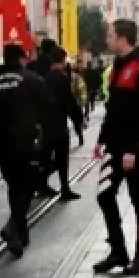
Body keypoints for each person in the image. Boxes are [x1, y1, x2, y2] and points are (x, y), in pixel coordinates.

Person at [0, 43, 55, 257]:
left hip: (2, 144)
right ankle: (13, 226)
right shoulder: (32, 80)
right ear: (21, 58)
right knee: (28, 185)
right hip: (27, 143)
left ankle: (20, 231)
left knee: (14, 185)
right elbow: (48, 108)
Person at [92, 18, 139, 275]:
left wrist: (132, 150)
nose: (107, 40)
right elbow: (113, 110)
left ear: (122, 39)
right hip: (114, 146)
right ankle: (118, 251)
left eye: (110, 35)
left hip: (135, 148)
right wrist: (101, 139)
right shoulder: (116, 68)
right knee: (105, 195)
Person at [41, 47, 84, 200]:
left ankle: (42, 185)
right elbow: (70, 101)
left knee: (45, 156)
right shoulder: (63, 77)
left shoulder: (44, 77)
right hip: (59, 124)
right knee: (61, 157)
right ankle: (64, 188)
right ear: (62, 60)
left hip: (45, 124)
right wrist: (79, 118)